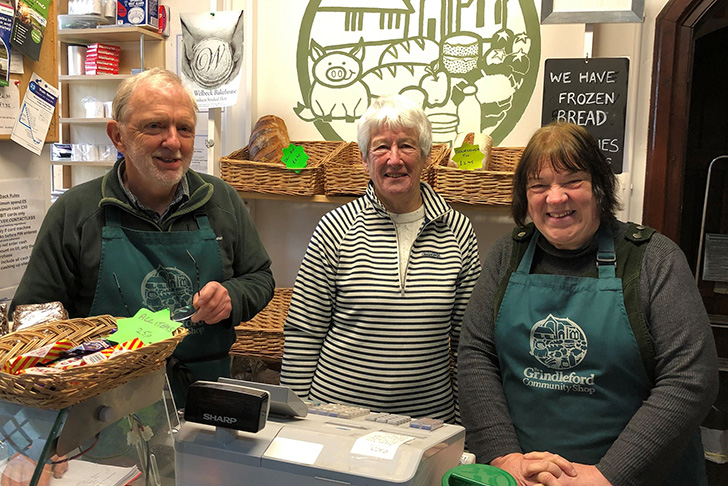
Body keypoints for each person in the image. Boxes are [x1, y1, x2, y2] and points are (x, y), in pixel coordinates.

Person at [458, 121, 719, 485]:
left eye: (572, 181)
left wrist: (606, 476)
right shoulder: (507, 254)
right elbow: (475, 356)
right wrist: (504, 457)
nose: (555, 198)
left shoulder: (654, 259)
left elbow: (691, 379)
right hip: (524, 477)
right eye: (539, 185)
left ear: (599, 186)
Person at [9, 68, 275, 406]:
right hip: (104, 405)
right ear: (118, 136)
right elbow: (34, 316)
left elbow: (261, 277)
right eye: (155, 126)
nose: (173, 142)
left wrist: (232, 296)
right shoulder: (76, 212)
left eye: (185, 129)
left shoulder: (221, 201)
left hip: (205, 397)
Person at [280, 94, 482, 423]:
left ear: (426, 156)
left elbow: (467, 343)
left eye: (406, 145)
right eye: (381, 147)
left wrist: (460, 426)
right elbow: (304, 332)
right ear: (363, 159)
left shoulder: (458, 231)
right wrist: (295, 420)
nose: (394, 159)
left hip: (427, 422)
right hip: (336, 418)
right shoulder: (335, 228)